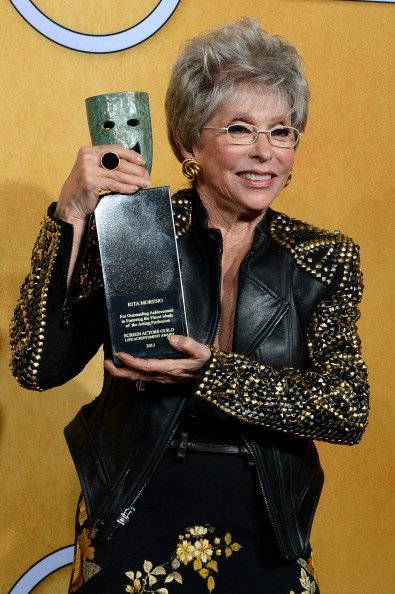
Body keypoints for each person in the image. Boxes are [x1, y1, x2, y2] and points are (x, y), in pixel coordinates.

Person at [10, 18, 369, 594]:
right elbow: (38, 366)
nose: (264, 153)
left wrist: (213, 375)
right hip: (136, 513)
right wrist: (70, 217)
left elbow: (346, 409)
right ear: (187, 144)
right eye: (239, 129)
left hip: (267, 521)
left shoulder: (321, 257)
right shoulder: (136, 231)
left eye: (282, 132)